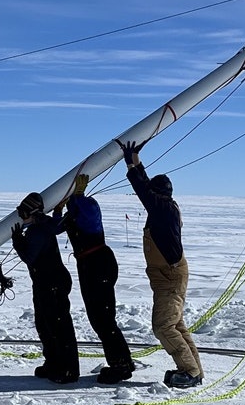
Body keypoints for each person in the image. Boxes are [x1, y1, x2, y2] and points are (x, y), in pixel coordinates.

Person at [117, 139, 204, 388]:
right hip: (168, 276)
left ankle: (189, 372)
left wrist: (132, 163)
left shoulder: (163, 209)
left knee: (163, 326)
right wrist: (134, 160)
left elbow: (143, 189)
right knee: (175, 324)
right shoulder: (163, 208)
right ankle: (194, 371)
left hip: (170, 277)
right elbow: (147, 189)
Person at [52, 173, 135, 384]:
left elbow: (89, 215)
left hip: (99, 264)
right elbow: (56, 228)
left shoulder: (88, 206)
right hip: (89, 266)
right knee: (98, 317)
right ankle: (122, 360)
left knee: (103, 318)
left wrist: (78, 196)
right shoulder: (74, 214)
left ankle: (121, 365)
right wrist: (59, 209)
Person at [11, 192, 80, 384]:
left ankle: (68, 370)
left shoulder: (37, 230)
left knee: (58, 326)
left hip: (52, 283)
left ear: (32, 212)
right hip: (45, 282)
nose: (21, 216)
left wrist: (18, 242)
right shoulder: (42, 226)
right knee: (44, 324)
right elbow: (56, 225)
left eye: (23, 212)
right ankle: (53, 363)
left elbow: (29, 257)